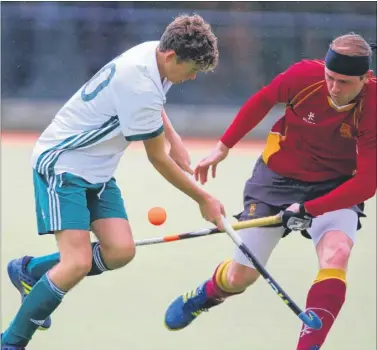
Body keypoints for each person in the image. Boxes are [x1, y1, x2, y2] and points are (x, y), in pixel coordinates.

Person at [1, 14, 226, 350]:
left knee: (119, 251)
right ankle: (11, 342)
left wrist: (175, 137)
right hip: (64, 164)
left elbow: (154, 105)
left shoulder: (154, 53)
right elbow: (157, 159)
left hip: (99, 169)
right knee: (75, 263)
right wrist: (203, 198)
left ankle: (30, 271)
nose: (192, 77)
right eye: (192, 69)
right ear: (171, 57)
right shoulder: (139, 81)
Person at [164, 33, 376, 350]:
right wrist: (223, 147)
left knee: (337, 254)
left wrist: (309, 209)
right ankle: (207, 293)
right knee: (239, 278)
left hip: (336, 185)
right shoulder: (303, 76)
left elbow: (367, 183)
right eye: (330, 78)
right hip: (276, 181)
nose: (334, 88)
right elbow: (263, 100)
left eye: (345, 82)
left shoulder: (373, 105)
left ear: (366, 78)